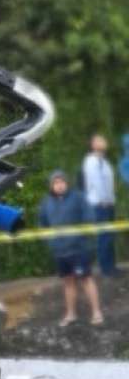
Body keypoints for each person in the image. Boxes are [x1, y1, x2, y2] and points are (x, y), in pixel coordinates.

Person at [39, 170, 104, 326]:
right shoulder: (46, 202)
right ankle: (71, 314)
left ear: (66, 183)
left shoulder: (78, 197)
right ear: (51, 186)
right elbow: (42, 224)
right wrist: (49, 239)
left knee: (86, 279)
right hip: (60, 251)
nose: (59, 185)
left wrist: (83, 233)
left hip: (79, 249)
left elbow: (90, 217)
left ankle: (96, 312)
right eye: (56, 183)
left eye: (62, 182)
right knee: (68, 282)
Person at [82, 133, 119, 277]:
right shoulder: (91, 161)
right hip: (99, 204)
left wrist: (111, 200)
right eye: (99, 140)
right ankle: (106, 269)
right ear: (93, 145)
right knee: (104, 236)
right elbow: (97, 183)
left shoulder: (104, 161)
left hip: (108, 203)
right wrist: (104, 200)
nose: (104, 141)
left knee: (110, 235)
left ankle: (112, 266)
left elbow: (110, 183)